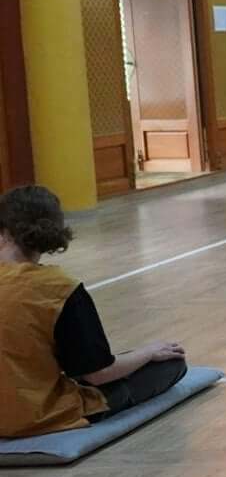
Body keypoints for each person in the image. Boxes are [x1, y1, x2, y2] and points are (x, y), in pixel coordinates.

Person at [0, 185, 188, 439]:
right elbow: (98, 374)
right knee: (171, 364)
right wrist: (147, 352)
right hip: (34, 415)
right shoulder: (59, 288)